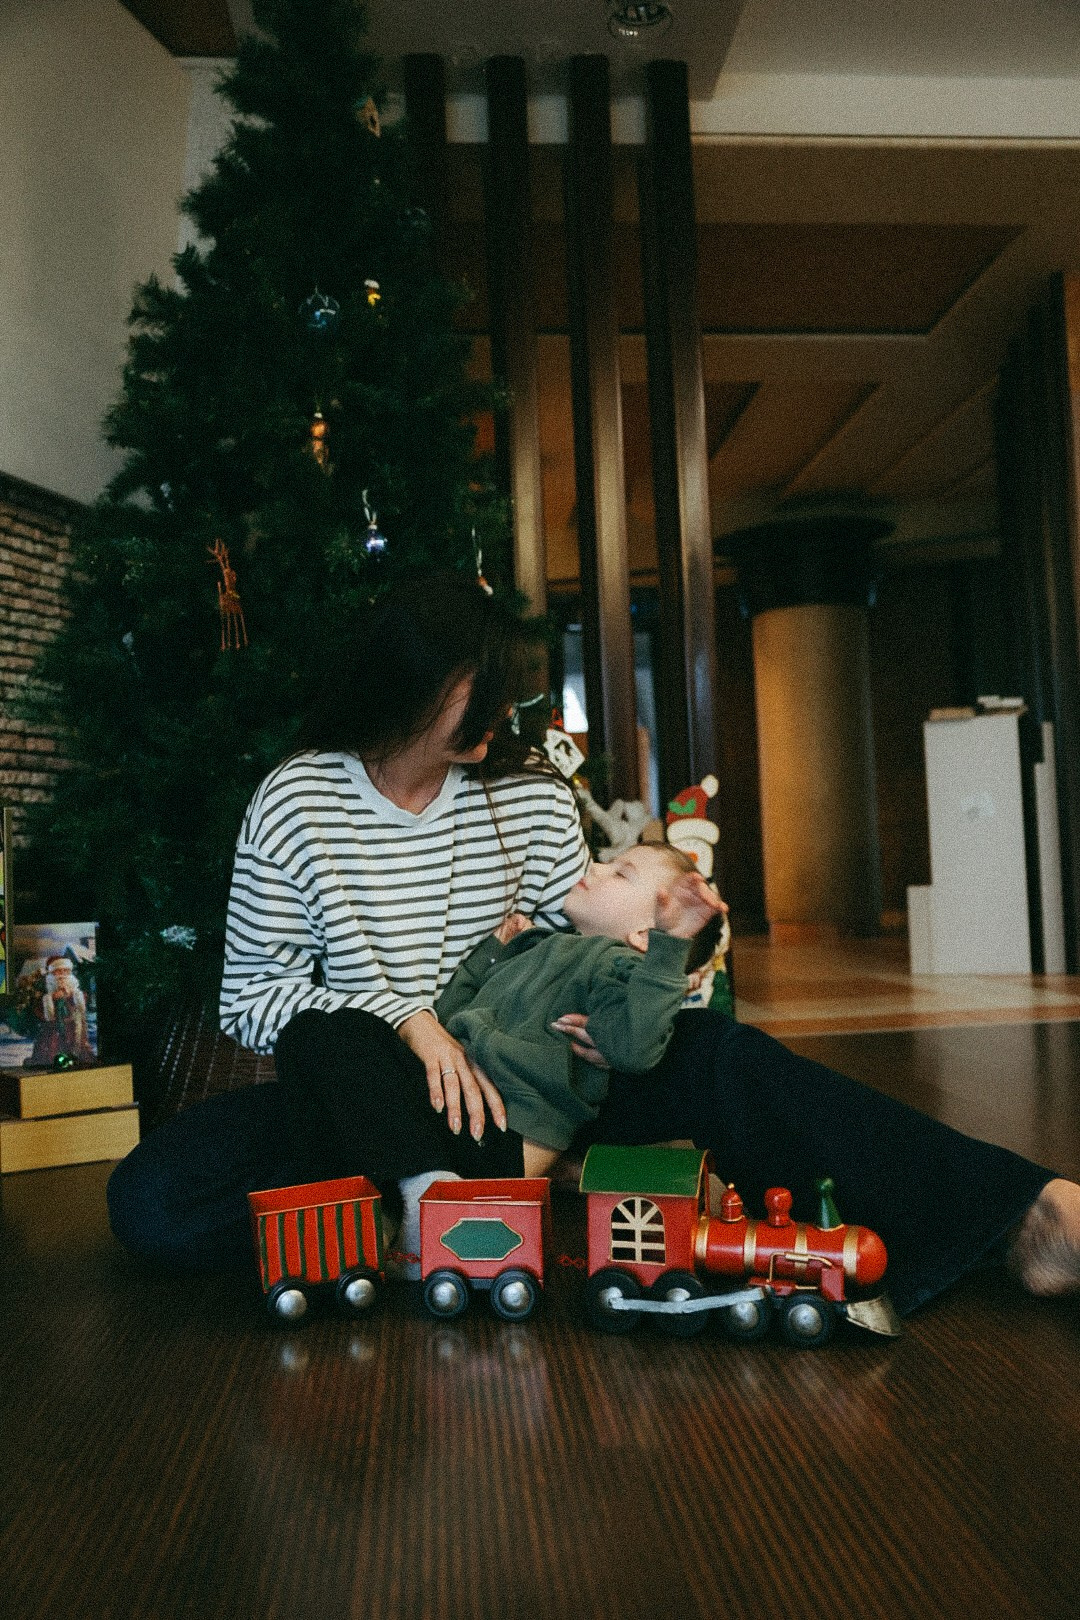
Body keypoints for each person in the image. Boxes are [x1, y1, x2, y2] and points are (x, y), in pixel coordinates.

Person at [106, 570, 1080, 1316]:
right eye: (474, 700)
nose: (499, 720)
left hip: (540, 1083)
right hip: (379, 1096)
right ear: (407, 687)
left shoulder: (525, 796)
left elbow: (585, 936)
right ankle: (442, 1202)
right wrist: (405, 1023)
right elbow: (253, 999)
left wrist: (647, 974)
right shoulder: (298, 801)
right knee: (157, 1199)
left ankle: (1023, 1216)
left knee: (719, 1057)